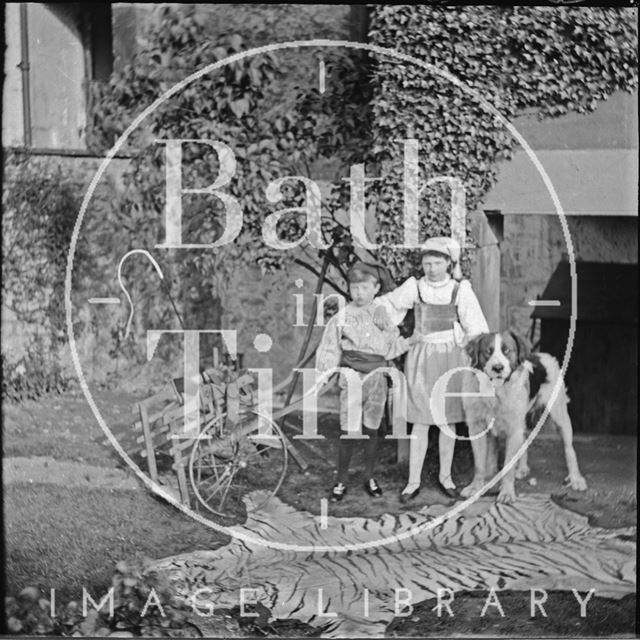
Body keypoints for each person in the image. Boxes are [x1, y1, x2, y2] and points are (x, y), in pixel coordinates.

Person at [374, 237, 489, 502]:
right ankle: (413, 481)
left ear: (449, 263)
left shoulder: (460, 290)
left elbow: (477, 328)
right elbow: (389, 303)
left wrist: (475, 356)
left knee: (447, 422)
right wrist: (379, 309)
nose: (432, 268)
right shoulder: (415, 286)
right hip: (422, 357)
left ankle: (445, 478)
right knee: (421, 423)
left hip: (451, 358)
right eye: (427, 263)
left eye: (437, 263)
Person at [315, 261, 418, 502]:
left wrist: (409, 342)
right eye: (354, 288)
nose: (359, 293)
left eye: (364, 288)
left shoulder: (382, 316)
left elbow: (391, 347)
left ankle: (369, 477)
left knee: (371, 430)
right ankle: (341, 479)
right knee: (348, 431)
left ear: (376, 288)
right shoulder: (341, 317)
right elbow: (329, 349)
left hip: (377, 380)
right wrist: (323, 375)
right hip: (352, 379)